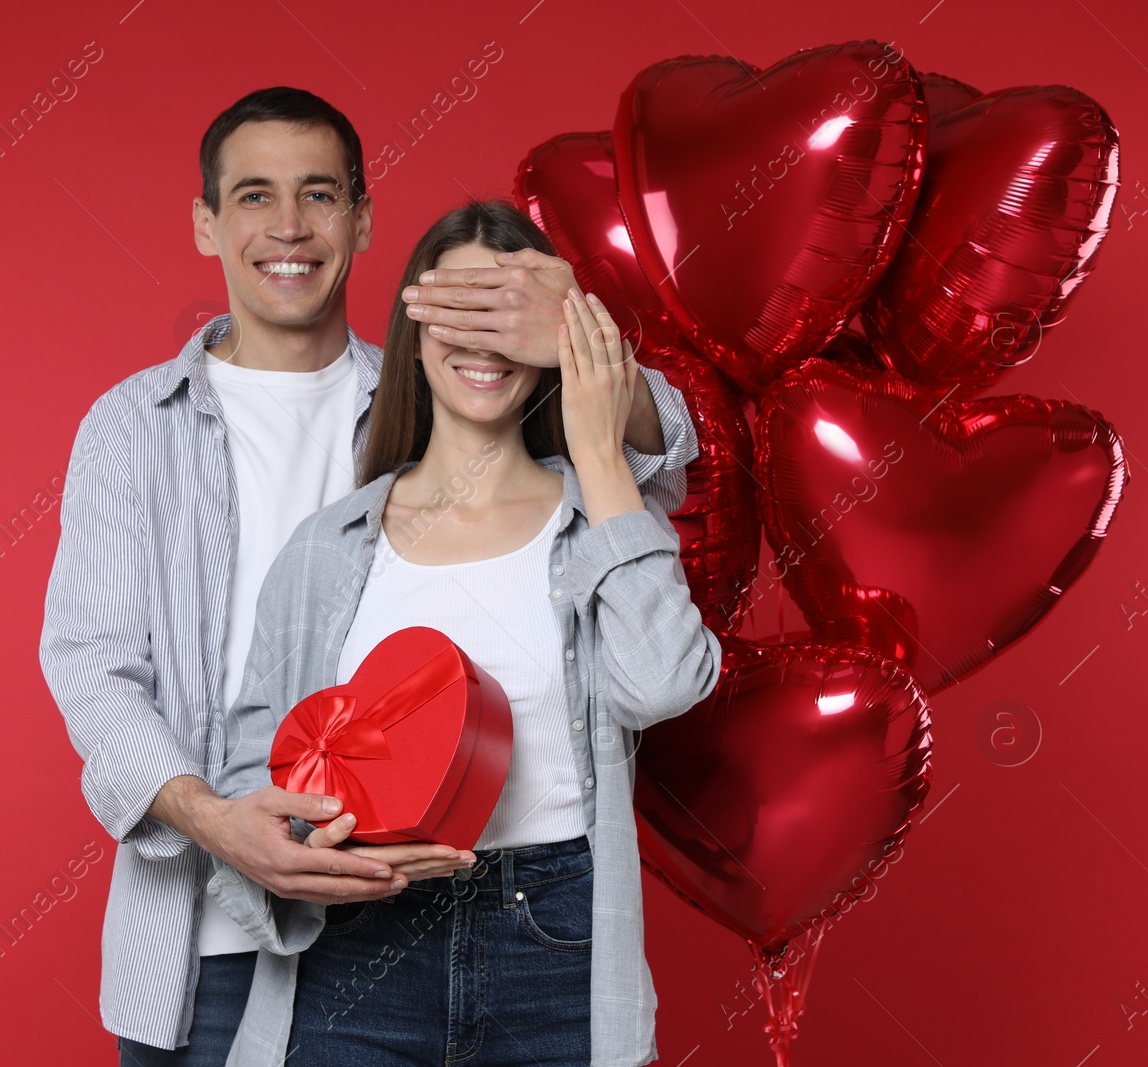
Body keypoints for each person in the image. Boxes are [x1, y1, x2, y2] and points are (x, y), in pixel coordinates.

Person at [39, 86, 705, 1066]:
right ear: (205, 222)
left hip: (441, 904)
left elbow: (662, 453)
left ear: (362, 219)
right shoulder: (134, 428)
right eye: (255, 196)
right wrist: (220, 822)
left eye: (318, 193)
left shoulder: (436, 389)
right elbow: (93, 671)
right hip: (201, 928)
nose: (290, 226)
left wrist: (570, 342)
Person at [207, 200, 722, 1067]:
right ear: (414, 327)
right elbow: (256, 772)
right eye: (461, 313)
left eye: (512, 320)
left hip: (554, 944)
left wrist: (600, 455)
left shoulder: (599, 518)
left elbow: (664, 684)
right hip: (359, 949)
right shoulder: (326, 550)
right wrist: (290, 847)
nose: (487, 343)